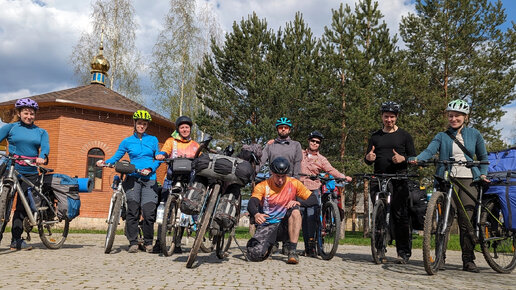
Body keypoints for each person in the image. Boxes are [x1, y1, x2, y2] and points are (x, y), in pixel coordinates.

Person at [409, 99, 489, 273]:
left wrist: (483, 173)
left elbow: (483, 157)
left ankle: (468, 260)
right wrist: (418, 158)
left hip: (468, 179)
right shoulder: (441, 136)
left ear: (465, 117)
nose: (453, 119)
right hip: (447, 179)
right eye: (450, 116)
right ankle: (440, 258)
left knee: (465, 221)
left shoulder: (474, 134)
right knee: (445, 219)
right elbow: (430, 151)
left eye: (457, 116)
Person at [97, 110, 160, 253]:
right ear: (135, 124)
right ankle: (133, 242)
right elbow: (116, 157)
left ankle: (148, 242)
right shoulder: (127, 141)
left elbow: (157, 159)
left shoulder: (153, 140)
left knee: (149, 212)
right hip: (132, 178)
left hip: (150, 179)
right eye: (139, 123)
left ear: (147, 125)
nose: (142, 126)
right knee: (133, 210)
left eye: (144, 124)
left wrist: (150, 168)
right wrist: (105, 162)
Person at [364, 101, 415, 264]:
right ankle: (380, 249)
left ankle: (403, 252)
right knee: (379, 216)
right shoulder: (375, 136)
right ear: (382, 117)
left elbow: (413, 158)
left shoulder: (405, 136)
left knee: (400, 216)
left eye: (392, 117)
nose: (389, 120)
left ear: (397, 117)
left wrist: (403, 159)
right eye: (386, 116)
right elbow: (368, 158)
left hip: (399, 179)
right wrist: (368, 158)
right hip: (379, 179)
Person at [0, 98, 49, 250]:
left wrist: (43, 156)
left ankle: (16, 239)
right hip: (11, 168)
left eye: (32, 114)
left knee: (21, 207)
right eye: (26, 113)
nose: (29, 116)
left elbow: (45, 147)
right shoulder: (11, 128)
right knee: (4, 202)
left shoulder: (41, 132)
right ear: (19, 113)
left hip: (30, 172)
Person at [246, 157, 312, 264]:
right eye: (277, 176)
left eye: (283, 176)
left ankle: (292, 251)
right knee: (254, 254)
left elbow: (312, 199)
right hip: (269, 225)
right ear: (272, 173)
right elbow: (252, 202)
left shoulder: (294, 183)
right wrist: (256, 214)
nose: (280, 180)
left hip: (285, 224)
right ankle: (270, 245)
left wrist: (299, 202)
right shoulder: (263, 186)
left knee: (295, 211)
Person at [299, 131, 352, 257]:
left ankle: (311, 247)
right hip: (299, 188)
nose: (315, 143)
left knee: (311, 217)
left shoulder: (322, 159)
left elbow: (331, 169)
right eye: (313, 141)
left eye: (317, 142)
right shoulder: (300, 153)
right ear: (308, 141)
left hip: (313, 189)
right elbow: (288, 152)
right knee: (298, 216)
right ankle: (289, 244)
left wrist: (343, 177)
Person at [155, 115, 199, 253]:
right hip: (171, 179)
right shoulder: (171, 141)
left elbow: (201, 157)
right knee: (164, 210)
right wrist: (161, 155)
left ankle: (178, 243)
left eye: (187, 127)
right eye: (182, 127)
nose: (185, 130)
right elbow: (165, 151)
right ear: (178, 129)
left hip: (188, 181)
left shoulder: (195, 145)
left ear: (190, 129)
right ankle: (159, 242)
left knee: (184, 210)